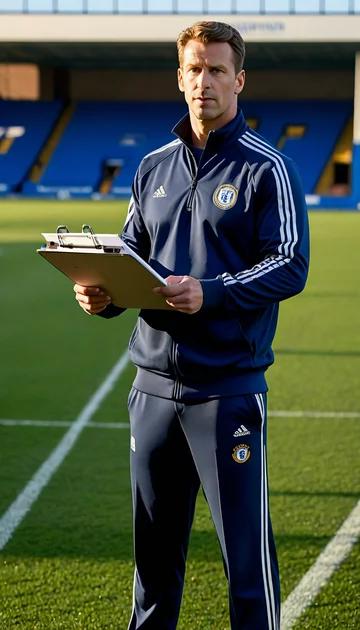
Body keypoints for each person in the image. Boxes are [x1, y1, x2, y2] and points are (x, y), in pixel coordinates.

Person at [74, 20, 309, 630]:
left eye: (217, 70)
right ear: (179, 78)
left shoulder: (268, 170)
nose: (204, 82)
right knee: (152, 562)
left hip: (226, 391)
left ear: (239, 81)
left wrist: (210, 292)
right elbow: (132, 252)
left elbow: (289, 265)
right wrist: (103, 294)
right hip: (151, 390)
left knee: (247, 567)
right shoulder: (152, 167)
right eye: (194, 69)